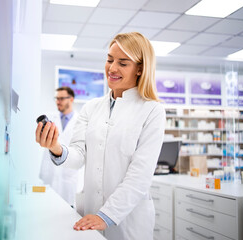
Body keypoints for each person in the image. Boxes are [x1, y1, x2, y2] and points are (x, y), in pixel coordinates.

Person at [35, 32, 166, 240]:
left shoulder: (152, 111)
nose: (112, 68)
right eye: (109, 60)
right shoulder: (91, 107)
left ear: (140, 68)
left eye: (123, 63)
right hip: (90, 215)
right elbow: (78, 155)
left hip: (128, 223)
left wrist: (106, 216)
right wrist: (56, 148)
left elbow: (140, 176)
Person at [39, 87, 84, 207]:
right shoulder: (50, 118)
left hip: (69, 177)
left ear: (71, 99)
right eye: (56, 98)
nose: (58, 101)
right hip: (50, 174)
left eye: (61, 98)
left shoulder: (81, 121)